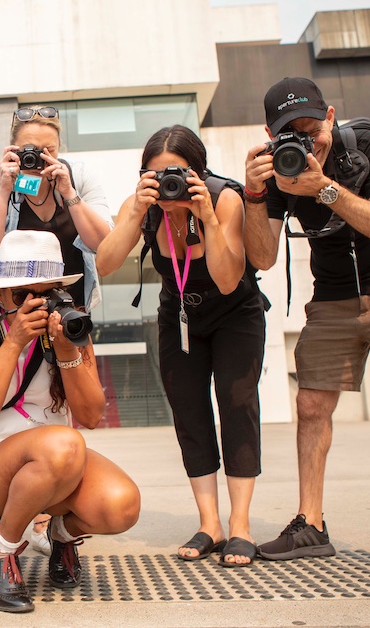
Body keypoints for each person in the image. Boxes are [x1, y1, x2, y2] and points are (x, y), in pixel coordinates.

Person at [242, 77, 370, 592]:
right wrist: (253, 194)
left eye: (312, 130)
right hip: (333, 293)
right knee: (311, 403)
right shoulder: (275, 171)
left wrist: (324, 190)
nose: (304, 143)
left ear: (330, 116)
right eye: (291, 134)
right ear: (271, 134)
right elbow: (264, 257)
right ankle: (310, 524)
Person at [0, 230, 141, 613]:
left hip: (56, 462)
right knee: (64, 445)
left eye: (47, 295)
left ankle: (58, 535)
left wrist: (67, 351)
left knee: (121, 506)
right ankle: (0, 550)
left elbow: (91, 415)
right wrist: (13, 344)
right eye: (21, 296)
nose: (36, 306)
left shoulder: (70, 327)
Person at [96, 125, 266, 568]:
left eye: (178, 174)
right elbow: (105, 263)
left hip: (235, 313)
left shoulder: (225, 198)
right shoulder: (145, 208)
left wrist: (207, 218)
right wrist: (135, 211)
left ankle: (241, 525)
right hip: (179, 314)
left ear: (199, 171)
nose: (168, 185)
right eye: (156, 175)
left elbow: (229, 280)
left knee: (236, 405)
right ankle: (210, 523)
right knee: (189, 411)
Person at [0, 105, 112, 311]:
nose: (38, 158)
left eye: (49, 150)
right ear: (12, 148)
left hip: (72, 311)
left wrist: (69, 193)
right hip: (14, 312)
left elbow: (105, 245)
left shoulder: (78, 177)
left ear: (59, 148)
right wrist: (3, 190)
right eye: (30, 149)